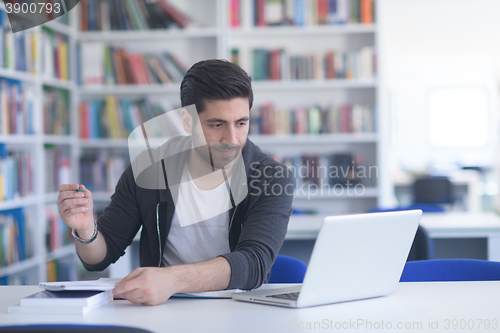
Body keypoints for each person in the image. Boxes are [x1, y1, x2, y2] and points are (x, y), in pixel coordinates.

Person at [57, 59, 294, 306]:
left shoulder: (270, 177)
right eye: (217, 124)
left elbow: (254, 264)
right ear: (188, 121)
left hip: (241, 308)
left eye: (241, 123)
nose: (232, 139)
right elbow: (99, 258)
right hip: (163, 308)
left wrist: (172, 279)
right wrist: (85, 229)